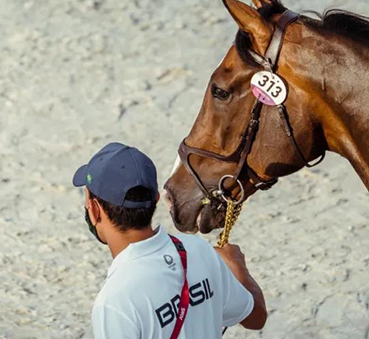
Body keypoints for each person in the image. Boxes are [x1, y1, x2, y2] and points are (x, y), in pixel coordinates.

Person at [72, 142, 267, 338]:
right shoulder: (199, 250)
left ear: (95, 209)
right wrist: (237, 266)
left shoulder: (114, 302)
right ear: (156, 198)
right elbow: (256, 317)